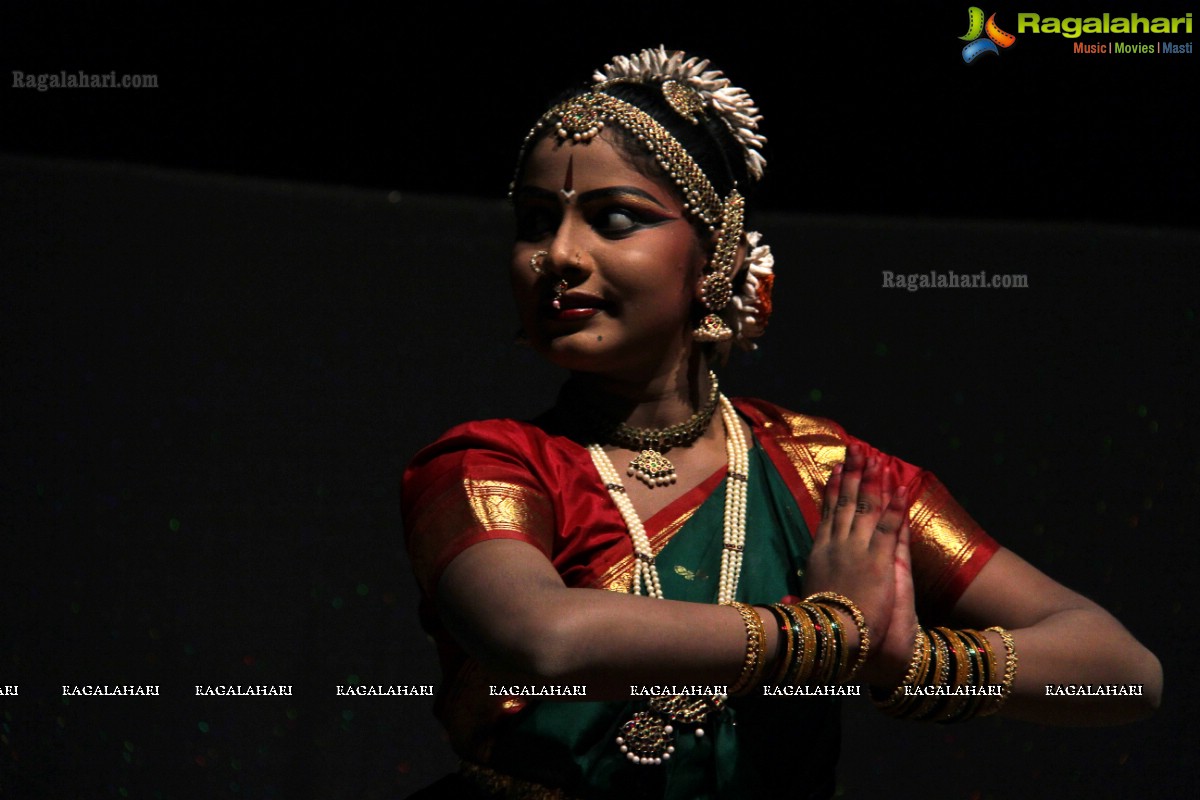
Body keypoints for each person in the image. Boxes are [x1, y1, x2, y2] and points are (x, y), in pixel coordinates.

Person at [401, 46, 1161, 799]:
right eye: (536, 222)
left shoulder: (826, 475)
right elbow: (542, 636)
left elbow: (1124, 673)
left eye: (616, 220)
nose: (557, 255)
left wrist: (905, 663)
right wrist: (826, 636)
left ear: (718, 255)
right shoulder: (490, 465)